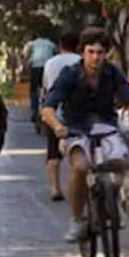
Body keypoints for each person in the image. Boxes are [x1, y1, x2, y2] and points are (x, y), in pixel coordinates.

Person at [42, 27, 129, 242]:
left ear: (106, 54)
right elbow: (48, 108)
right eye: (91, 51)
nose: (95, 57)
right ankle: (77, 220)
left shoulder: (113, 73)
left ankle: (116, 202)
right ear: (82, 52)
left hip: (107, 127)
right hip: (75, 128)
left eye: (100, 52)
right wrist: (57, 126)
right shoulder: (70, 74)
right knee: (80, 168)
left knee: (119, 162)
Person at [40, 29, 80, 201]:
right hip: (77, 113)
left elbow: (46, 89)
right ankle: (77, 185)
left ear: (60, 46)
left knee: (53, 152)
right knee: (78, 150)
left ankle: (55, 188)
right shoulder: (81, 61)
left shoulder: (50, 63)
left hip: (54, 114)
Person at [24, 29, 58, 130]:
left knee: (34, 90)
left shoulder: (31, 44)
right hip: (47, 67)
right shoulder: (51, 44)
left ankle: (34, 110)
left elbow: (26, 57)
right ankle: (49, 107)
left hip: (35, 67)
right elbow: (56, 55)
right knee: (48, 88)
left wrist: (25, 69)